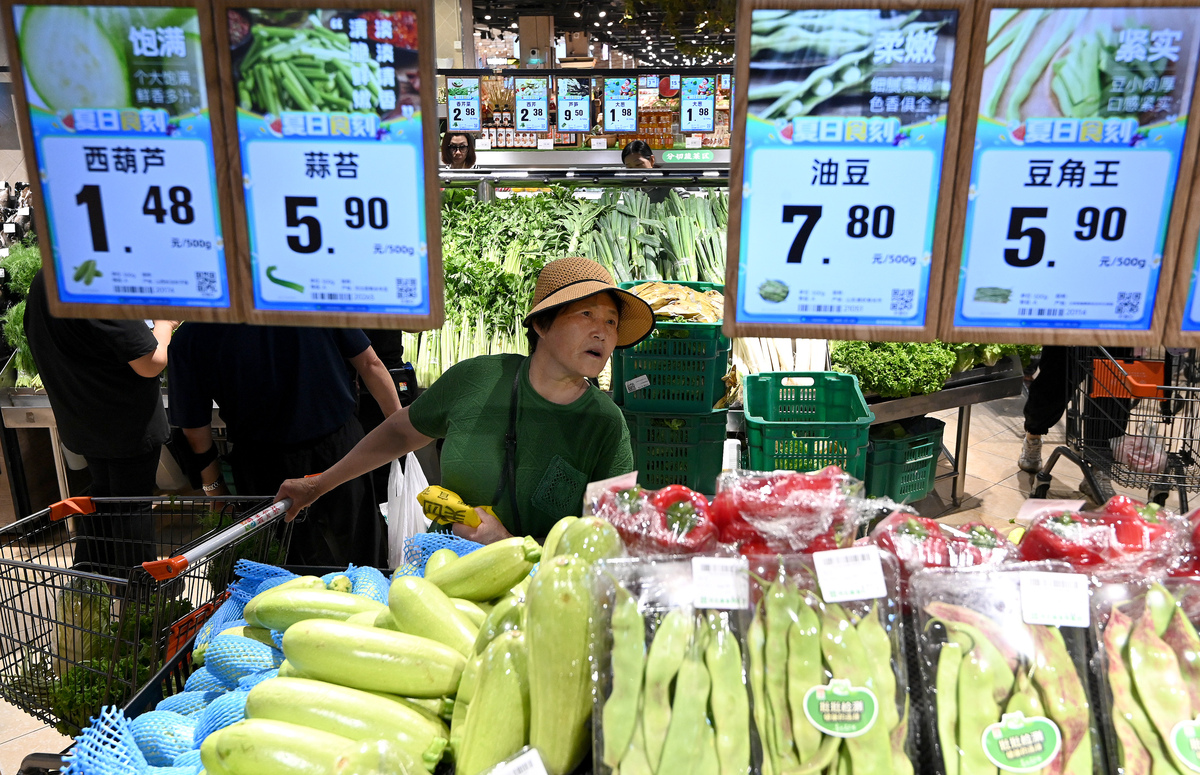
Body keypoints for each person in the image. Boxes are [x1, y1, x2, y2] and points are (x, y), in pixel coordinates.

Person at [275, 256, 656, 543]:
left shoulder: (606, 423)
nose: (602, 332)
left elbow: (610, 537)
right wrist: (319, 485)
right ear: (541, 324)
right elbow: (398, 434)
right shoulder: (477, 380)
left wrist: (508, 545)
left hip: (543, 593)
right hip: (444, 576)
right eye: (586, 314)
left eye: (610, 321)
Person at [168, 324, 400, 567]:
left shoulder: (191, 335)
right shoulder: (308, 301)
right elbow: (369, 364)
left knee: (286, 568)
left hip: (263, 468)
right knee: (361, 555)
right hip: (341, 452)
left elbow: (195, 430)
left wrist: (215, 490)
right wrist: (400, 430)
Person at [23, 269, 175, 571]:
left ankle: (87, 583)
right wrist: (165, 324)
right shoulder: (98, 282)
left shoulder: (47, 277)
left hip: (83, 416)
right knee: (131, 506)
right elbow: (151, 362)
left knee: (103, 499)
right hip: (125, 422)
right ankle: (138, 599)